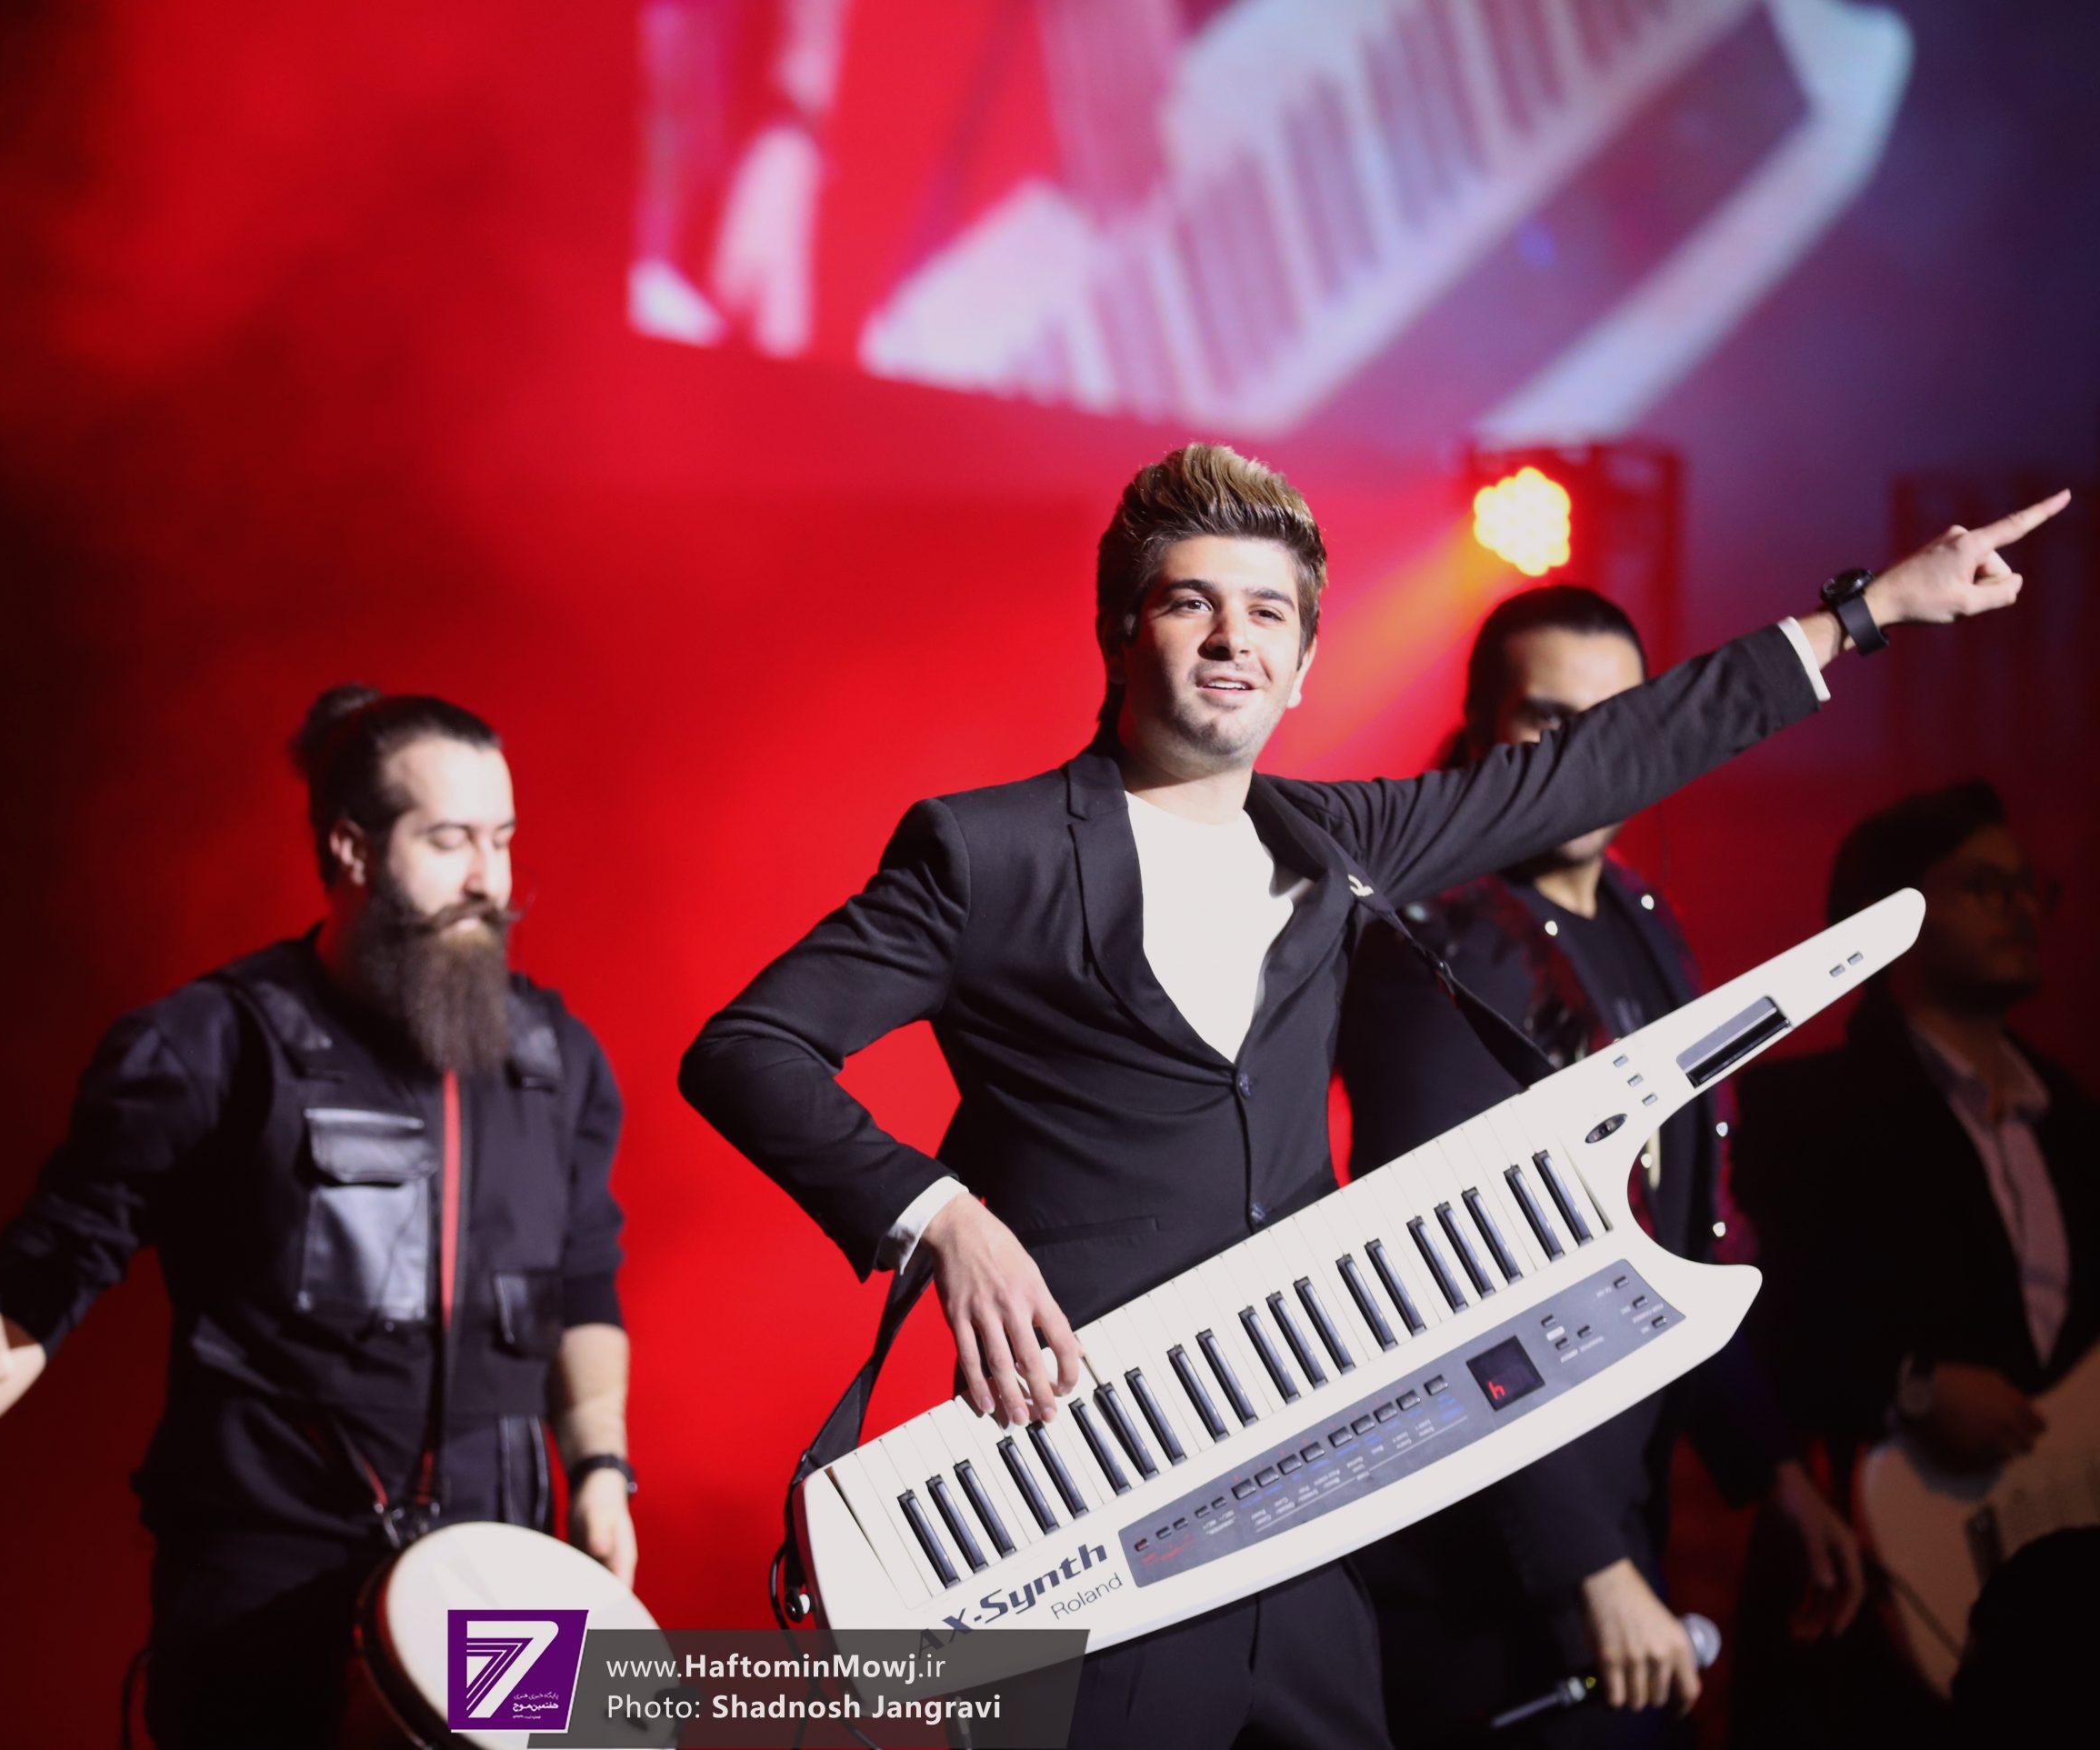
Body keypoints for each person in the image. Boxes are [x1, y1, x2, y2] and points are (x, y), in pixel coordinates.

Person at [678, 443, 2062, 1750]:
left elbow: (1594, 763)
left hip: (1307, 1502)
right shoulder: (988, 852)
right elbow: (748, 1047)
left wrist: (1867, 613)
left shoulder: (1334, 841)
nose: (1233, 637)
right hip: (1084, 1509)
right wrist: (942, 1219)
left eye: (1267, 613)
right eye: (1191, 602)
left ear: (1302, 666)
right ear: (1119, 631)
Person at [0, 687, 639, 1749]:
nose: (489, 880)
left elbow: (582, 1284)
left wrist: (600, 1473)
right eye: (450, 839)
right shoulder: (208, 1046)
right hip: (268, 1597)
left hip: (495, 1586)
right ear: (351, 847)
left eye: (501, 840)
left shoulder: (557, 1060)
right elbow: (48, 1269)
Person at [1334, 586, 1862, 1748]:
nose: (1583, 753)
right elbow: (1439, 1273)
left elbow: (1685, 1234)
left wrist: (1772, 1466)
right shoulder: (1435, 939)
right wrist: (1584, 1562)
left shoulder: (1637, 913)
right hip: (1488, 1568)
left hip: (1617, 1517)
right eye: (1546, 720)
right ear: (1479, 730)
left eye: (1614, 720)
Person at [1727, 778, 2100, 1748]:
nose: (2019, 907)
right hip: (1876, 1576)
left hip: (2057, 1601)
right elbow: (1755, 1331)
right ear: (1890, 917)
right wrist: (1914, 1386)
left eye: (2028, 885)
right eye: (1982, 886)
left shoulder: (2067, 1109)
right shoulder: (1801, 1111)